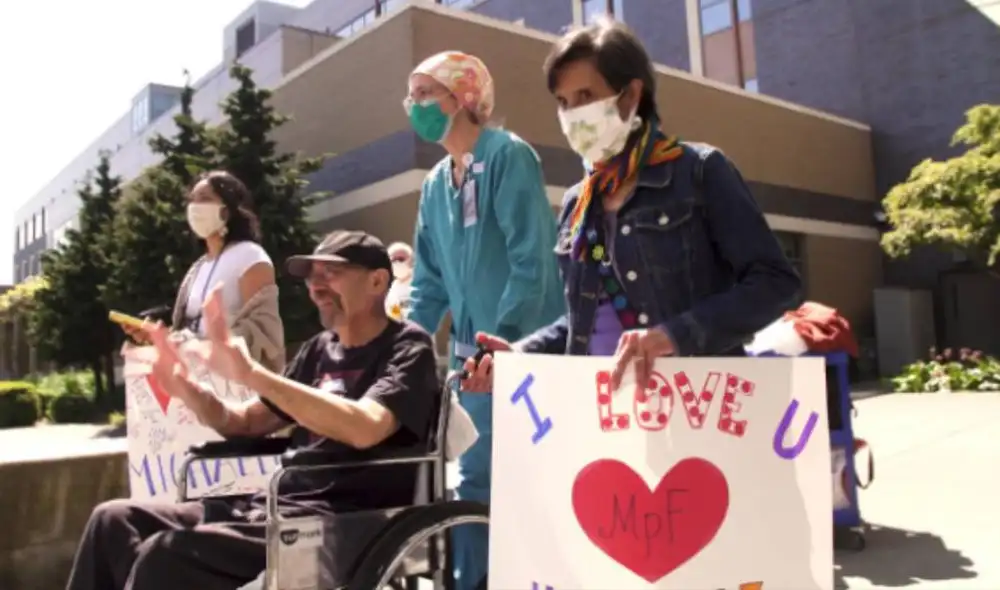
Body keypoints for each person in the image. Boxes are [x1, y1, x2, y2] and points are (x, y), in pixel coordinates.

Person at [67, 230, 441, 590]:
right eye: (312, 276)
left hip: (346, 519)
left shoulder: (407, 347)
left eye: (332, 272)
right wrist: (184, 387)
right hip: (276, 506)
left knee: (166, 557)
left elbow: (367, 427)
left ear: (377, 282)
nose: (316, 285)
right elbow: (245, 422)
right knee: (114, 521)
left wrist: (251, 373)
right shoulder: (317, 350)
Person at [463, 18, 801, 391]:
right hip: (605, 416)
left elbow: (775, 282)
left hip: (698, 407)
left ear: (630, 96)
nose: (573, 114)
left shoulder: (699, 173)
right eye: (563, 102)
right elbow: (585, 320)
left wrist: (673, 336)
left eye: (586, 97)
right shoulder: (581, 204)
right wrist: (520, 354)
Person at [404, 50, 565, 589]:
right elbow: (426, 283)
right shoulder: (434, 185)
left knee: (527, 477)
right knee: (473, 480)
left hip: (519, 354)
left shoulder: (506, 156)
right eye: (412, 94)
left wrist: (502, 343)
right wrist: (403, 346)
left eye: (426, 92)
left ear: (464, 97)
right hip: (471, 366)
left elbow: (531, 262)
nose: (414, 104)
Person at [123, 170, 285, 372]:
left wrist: (205, 349)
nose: (194, 206)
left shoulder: (250, 256)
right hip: (200, 384)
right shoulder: (198, 268)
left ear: (227, 210)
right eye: (192, 200)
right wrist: (156, 337)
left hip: (238, 386)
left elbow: (264, 333)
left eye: (205, 198)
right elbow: (189, 332)